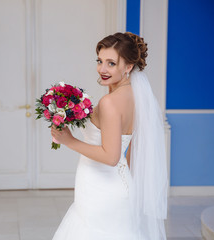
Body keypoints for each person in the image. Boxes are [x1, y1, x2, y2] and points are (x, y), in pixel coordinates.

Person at [50, 32, 168, 239]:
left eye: (111, 63)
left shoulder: (110, 102)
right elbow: (130, 147)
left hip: (101, 190)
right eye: (100, 61)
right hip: (118, 186)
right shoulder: (134, 96)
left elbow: (111, 157)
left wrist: (69, 140)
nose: (102, 69)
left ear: (128, 67)